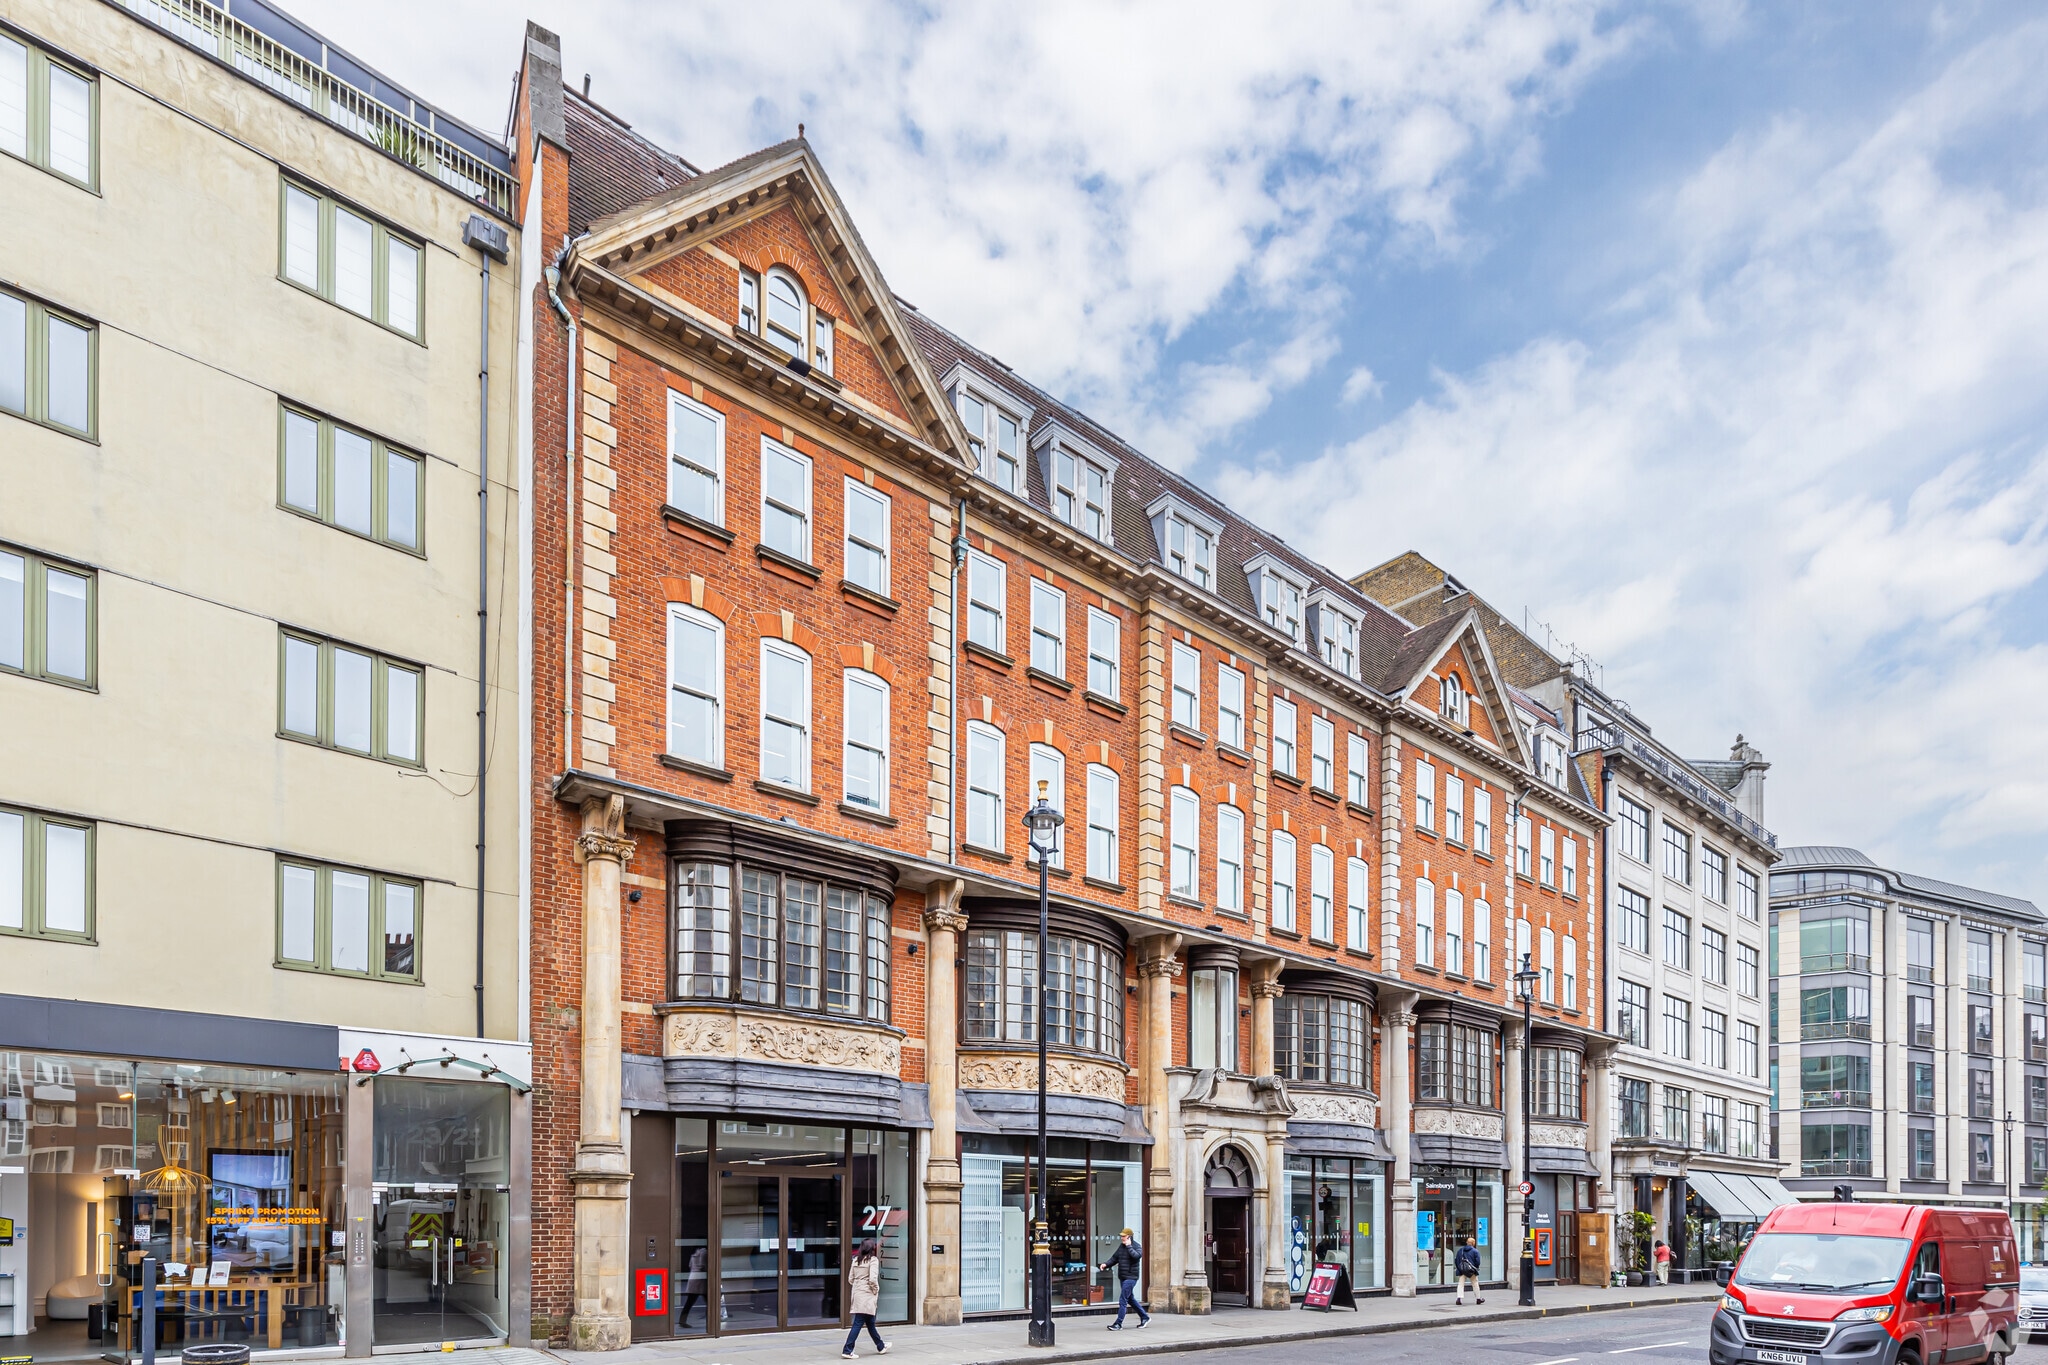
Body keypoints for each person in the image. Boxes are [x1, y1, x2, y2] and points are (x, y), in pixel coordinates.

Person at [842, 1239, 887, 1358]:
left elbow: (850, 1278)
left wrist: (859, 1285)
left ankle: (880, 1345)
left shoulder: (856, 1260)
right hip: (867, 1294)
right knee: (858, 1322)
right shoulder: (873, 1260)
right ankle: (847, 1349)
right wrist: (876, 1289)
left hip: (857, 1293)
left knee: (870, 1322)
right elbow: (872, 1279)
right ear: (872, 1248)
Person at [1101, 1227, 1149, 1330]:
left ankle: (1118, 1324)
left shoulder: (1136, 1246)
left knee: (1123, 1299)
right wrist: (1106, 1264)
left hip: (1131, 1277)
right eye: (1121, 1236)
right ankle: (1145, 1317)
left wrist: (1129, 1246)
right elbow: (1115, 1258)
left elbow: (1136, 1256)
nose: (1122, 1238)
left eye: (1124, 1236)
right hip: (1123, 1276)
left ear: (1129, 1237)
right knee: (1130, 1299)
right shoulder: (1121, 1247)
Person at [676, 1245, 706, 1332]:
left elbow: (690, 1265)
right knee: (710, 1302)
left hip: (693, 1277)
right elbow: (704, 1265)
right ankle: (714, 1321)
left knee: (689, 1302)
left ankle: (682, 1320)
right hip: (701, 1278)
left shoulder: (694, 1254)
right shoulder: (705, 1253)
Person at [1454, 1236, 1483, 1305]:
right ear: (1473, 1243)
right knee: (1475, 1283)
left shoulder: (1460, 1250)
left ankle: (1459, 1298)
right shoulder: (1475, 1251)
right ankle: (1478, 1299)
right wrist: (1475, 1268)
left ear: (1467, 1242)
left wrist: (1460, 1268)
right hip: (1471, 1270)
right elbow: (1478, 1262)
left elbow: (1456, 1260)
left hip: (1462, 1270)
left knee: (1461, 1284)